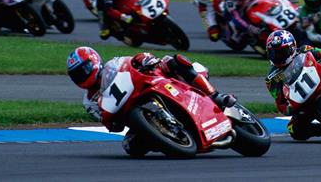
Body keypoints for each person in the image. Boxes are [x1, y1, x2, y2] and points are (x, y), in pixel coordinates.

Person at [67, 46, 234, 156]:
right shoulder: (88, 102)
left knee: (173, 60)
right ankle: (167, 135)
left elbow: (134, 60)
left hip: (152, 83)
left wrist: (145, 60)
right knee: (131, 147)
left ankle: (215, 95)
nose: (82, 75)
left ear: (95, 61)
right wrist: (110, 120)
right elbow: (110, 124)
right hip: (131, 112)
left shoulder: (113, 64)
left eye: (85, 69)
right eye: (77, 74)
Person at [264, 30, 321, 140]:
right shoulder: (271, 78)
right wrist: (288, 108)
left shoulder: (304, 50)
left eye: (281, 52)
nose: (277, 56)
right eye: (273, 53)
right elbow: (280, 102)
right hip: (305, 102)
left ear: (292, 48)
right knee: (294, 130)